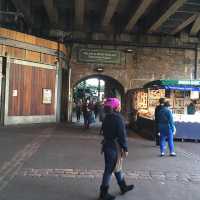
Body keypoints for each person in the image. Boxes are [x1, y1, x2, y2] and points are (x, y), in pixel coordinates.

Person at [99, 98, 134, 200]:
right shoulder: (118, 118)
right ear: (115, 107)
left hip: (107, 145)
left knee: (116, 167)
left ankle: (123, 186)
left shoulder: (106, 117)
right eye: (119, 105)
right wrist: (125, 148)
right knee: (109, 169)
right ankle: (103, 194)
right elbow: (122, 135)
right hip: (114, 147)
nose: (120, 106)